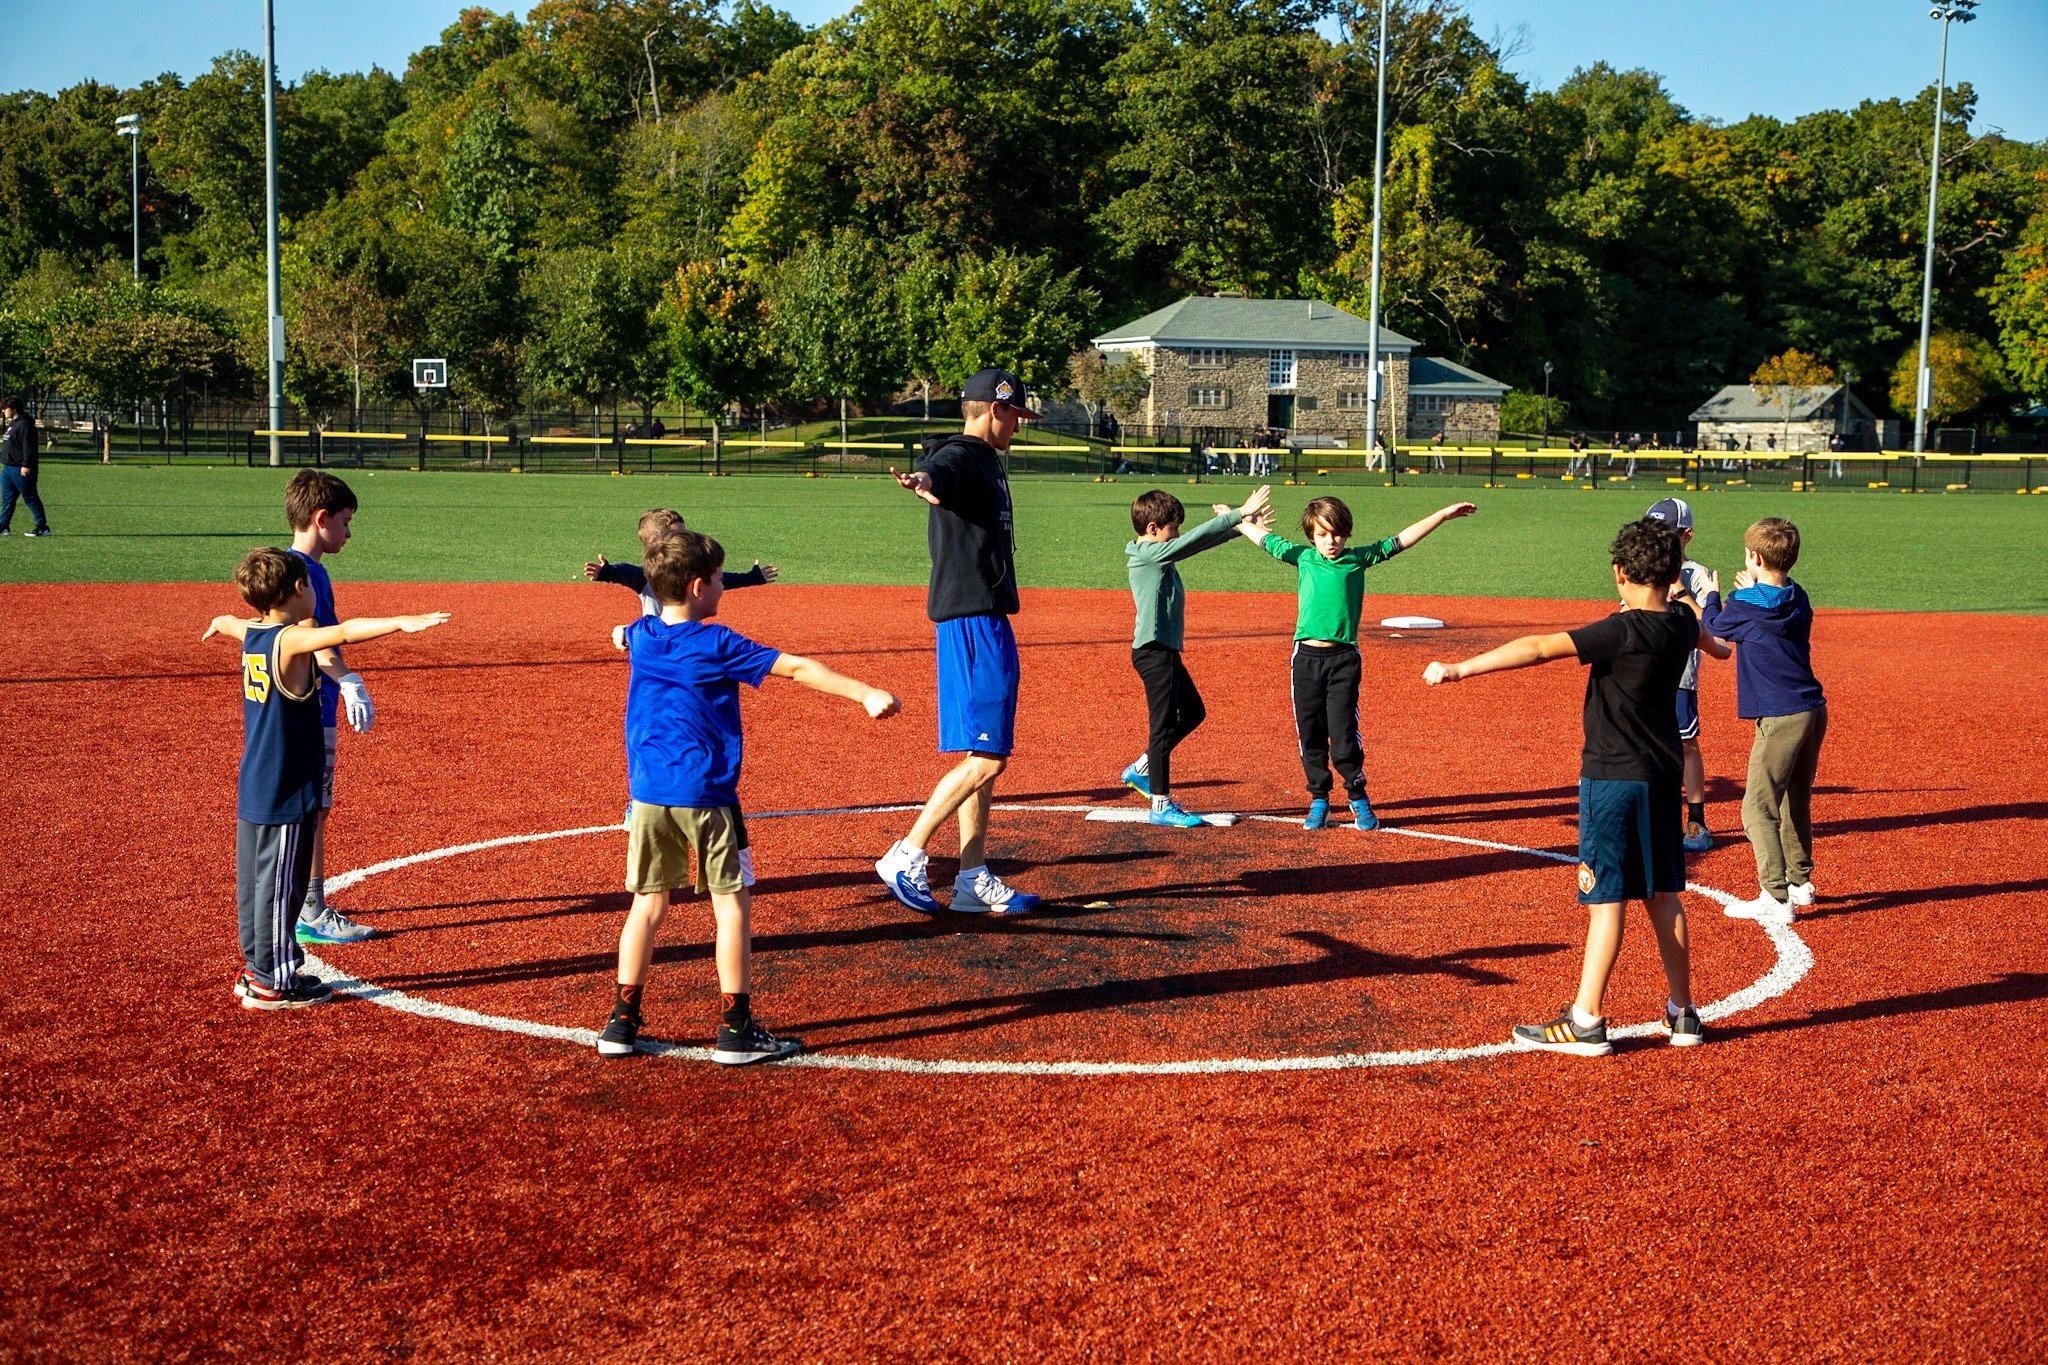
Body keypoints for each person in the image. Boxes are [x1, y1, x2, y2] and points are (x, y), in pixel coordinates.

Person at [597, 529, 898, 1062]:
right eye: (718, 579)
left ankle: (620, 1024)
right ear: (697, 587)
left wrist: (621, 634)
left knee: (647, 904)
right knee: (731, 905)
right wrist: (865, 692)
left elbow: (628, 632)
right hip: (707, 795)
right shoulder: (717, 643)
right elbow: (797, 667)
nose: (722, 587)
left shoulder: (643, 635)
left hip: (646, 796)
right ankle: (735, 1030)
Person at [1421, 518, 1705, 1054]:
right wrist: (1692, 600)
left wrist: (1459, 669)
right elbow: (1705, 631)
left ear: (1619, 573)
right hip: (1663, 776)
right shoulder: (1682, 624)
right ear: (1672, 575)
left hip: (1612, 779)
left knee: (1608, 900)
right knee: (1664, 895)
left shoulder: (1620, 630)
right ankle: (1683, 1012)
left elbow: (1537, 647)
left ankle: (1586, 1020)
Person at [203, 547, 448, 1009]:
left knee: (256, 885)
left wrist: (220, 620)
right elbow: (346, 631)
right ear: (299, 589)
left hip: (256, 782)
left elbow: (230, 622)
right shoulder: (290, 640)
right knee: (282, 887)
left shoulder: (252, 632)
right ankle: (273, 983)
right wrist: (401, 621)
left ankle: (257, 968)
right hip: (286, 783)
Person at [875, 367, 1043, 916]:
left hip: (981, 616)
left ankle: (971, 877)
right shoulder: (964, 456)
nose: (1018, 425)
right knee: (989, 759)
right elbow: (939, 473)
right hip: (973, 620)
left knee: (982, 752)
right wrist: (924, 482)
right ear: (996, 409)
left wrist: (930, 480)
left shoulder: (984, 459)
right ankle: (906, 854)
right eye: (1015, 415)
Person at [1233, 495, 1476, 830]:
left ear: (1346, 533)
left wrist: (1443, 514)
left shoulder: (1357, 559)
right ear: (1311, 536)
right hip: (1306, 660)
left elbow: (1402, 540)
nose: (1330, 541)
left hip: (1343, 660)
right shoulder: (1303, 557)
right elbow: (1265, 540)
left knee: (1344, 735)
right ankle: (1319, 799)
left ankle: (1357, 795)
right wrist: (1234, 517)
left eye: (1336, 534)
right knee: (1310, 732)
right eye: (1322, 534)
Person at [1120, 484, 1272, 827]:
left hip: (1164, 652)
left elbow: (1193, 544)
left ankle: (1141, 768)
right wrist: (1238, 514)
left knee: (1193, 712)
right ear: (1152, 529)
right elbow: (1191, 541)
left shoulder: (1158, 551)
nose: (1177, 535)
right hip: (1153, 654)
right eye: (1172, 529)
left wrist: (1240, 528)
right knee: (1161, 729)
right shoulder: (1147, 554)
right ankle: (1161, 805)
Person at [1700, 517, 1827, 923]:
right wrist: (1751, 590)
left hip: (1781, 714)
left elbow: (1714, 627)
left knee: (1757, 808)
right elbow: (1769, 604)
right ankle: (1800, 882)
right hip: (1813, 708)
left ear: (1754, 558)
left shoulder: (1744, 605)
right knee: (1795, 799)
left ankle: (1775, 896)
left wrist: (1714, 595)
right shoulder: (1798, 595)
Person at [281, 471, 382, 945]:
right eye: (344, 521)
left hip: (291, 705)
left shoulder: (283, 566)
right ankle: (311, 908)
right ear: (320, 519)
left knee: (308, 807)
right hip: (312, 706)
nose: (348, 532)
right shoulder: (308, 571)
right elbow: (320, 643)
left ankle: (300, 900)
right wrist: (350, 682)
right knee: (315, 808)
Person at [1644, 498, 1732, 853]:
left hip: (1680, 675)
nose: (1657, 539)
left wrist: (1678, 590)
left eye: (1665, 532)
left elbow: (1710, 627)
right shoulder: (1642, 566)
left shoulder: (1697, 575)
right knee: (1644, 744)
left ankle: (1696, 822)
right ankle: (1651, 818)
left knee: (1685, 744)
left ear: (1687, 535)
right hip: (1644, 673)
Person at [584, 507, 778, 615]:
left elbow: (718, 579)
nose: (686, 539)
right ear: (654, 543)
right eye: (677, 536)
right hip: (656, 640)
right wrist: (607, 572)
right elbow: (626, 572)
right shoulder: (648, 576)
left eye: (685, 534)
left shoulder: (692, 569)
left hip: (685, 638)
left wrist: (752, 577)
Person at [0, 393, 50, 537]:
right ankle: (3, 526)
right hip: (8, 468)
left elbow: (29, 447)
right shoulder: (13, 424)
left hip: (20, 468)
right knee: (7, 499)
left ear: (14, 408)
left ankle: (42, 527)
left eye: (5, 408)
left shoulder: (25, 424)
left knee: (30, 497)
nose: (3, 411)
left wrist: (26, 465)